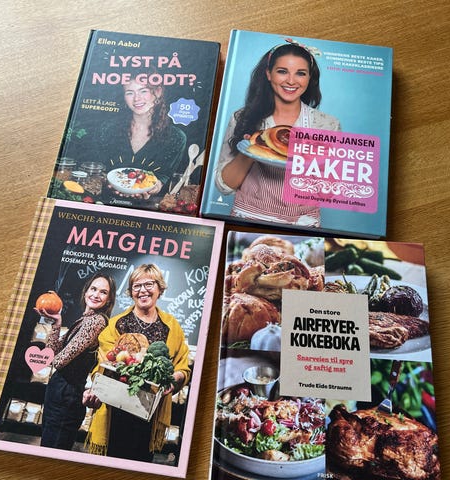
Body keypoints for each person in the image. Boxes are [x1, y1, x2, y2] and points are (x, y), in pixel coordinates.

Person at [215, 38, 341, 227]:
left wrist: (315, 162)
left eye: (300, 73)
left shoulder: (328, 125)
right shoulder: (244, 118)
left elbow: (330, 192)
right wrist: (250, 151)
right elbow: (224, 186)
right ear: (268, 74)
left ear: (309, 78)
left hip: (303, 223)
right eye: (282, 71)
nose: (291, 80)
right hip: (246, 217)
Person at [84, 263, 190, 462]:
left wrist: (173, 379)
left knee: (141, 463)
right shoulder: (116, 323)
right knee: (112, 463)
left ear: (159, 288)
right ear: (131, 291)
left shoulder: (171, 326)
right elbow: (104, 362)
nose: (142, 290)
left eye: (149, 284)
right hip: (116, 410)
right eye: (136, 286)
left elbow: (182, 366)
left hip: (151, 412)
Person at [36, 273, 117, 450]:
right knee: (49, 445)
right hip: (60, 390)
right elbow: (52, 352)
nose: (96, 295)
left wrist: (51, 358)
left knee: (53, 450)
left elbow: (58, 361)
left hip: (68, 393)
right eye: (93, 289)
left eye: (103, 292)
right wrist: (57, 322)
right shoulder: (85, 319)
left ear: (109, 300)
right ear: (86, 291)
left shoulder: (96, 322)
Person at [98, 67, 187, 205]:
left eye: (143, 91)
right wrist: (105, 181)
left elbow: (163, 176)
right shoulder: (108, 129)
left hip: (148, 208)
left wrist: (155, 187)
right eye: (130, 92)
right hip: (105, 202)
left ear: (158, 92)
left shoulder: (176, 137)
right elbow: (97, 168)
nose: (137, 98)